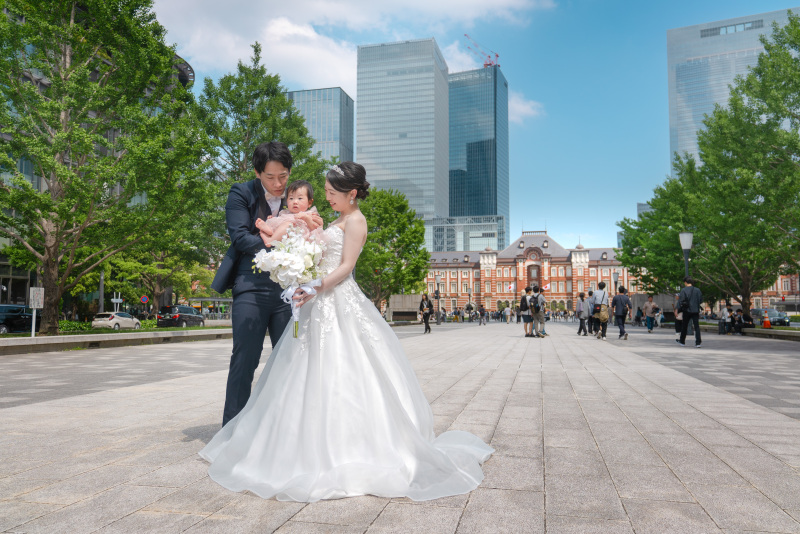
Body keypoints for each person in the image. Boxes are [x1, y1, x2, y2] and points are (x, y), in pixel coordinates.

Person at [201, 162, 493, 502]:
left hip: (337, 298)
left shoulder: (356, 221)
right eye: (325, 192)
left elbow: (347, 266)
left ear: (352, 193)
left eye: (331, 193)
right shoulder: (336, 219)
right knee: (300, 371)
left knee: (348, 367)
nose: (326, 198)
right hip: (316, 300)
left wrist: (316, 285)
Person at [211, 141, 322, 427]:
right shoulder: (241, 192)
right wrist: (280, 242)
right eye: (270, 177)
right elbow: (240, 238)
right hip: (251, 286)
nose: (278, 184)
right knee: (245, 359)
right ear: (258, 172)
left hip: (288, 292)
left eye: (283, 176)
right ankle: (231, 431)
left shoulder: (298, 199)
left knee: (290, 359)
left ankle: (284, 430)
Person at [677, 276, 703, 348]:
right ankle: (698, 342)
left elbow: (681, 301)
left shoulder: (683, 290)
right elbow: (701, 300)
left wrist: (678, 310)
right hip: (695, 310)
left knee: (684, 326)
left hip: (687, 310)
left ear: (685, 282)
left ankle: (682, 341)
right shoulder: (698, 290)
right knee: (696, 326)